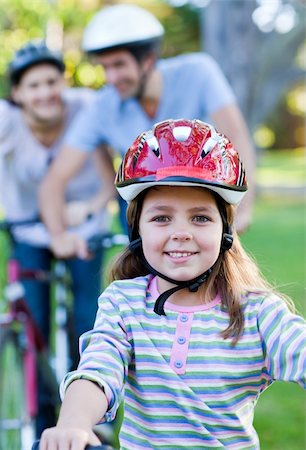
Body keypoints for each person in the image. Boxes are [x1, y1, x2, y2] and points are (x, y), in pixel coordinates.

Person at [39, 119, 305, 450]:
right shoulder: (124, 304)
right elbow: (98, 369)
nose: (181, 232)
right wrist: (74, 423)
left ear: (225, 232)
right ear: (138, 231)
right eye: (162, 218)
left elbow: (298, 346)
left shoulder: (256, 312)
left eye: (200, 217)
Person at [39, 3, 256, 260]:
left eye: (119, 65)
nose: (111, 77)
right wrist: (58, 235)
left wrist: (243, 209)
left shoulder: (198, 72)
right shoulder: (102, 107)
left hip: (202, 193)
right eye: (105, 67)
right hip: (144, 205)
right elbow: (55, 179)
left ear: (148, 60)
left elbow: (238, 139)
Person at [0, 40, 115, 437]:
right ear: (17, 94)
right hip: (28, 230)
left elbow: (109, 182)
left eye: (52, 81)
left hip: (83, 230)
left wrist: (84, 210)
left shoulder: (85, 109)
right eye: (33, 85)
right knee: (34, 326)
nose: (45, 92)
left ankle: (92, 419)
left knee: (89, 315)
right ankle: (43, 421)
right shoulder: (6, 120)